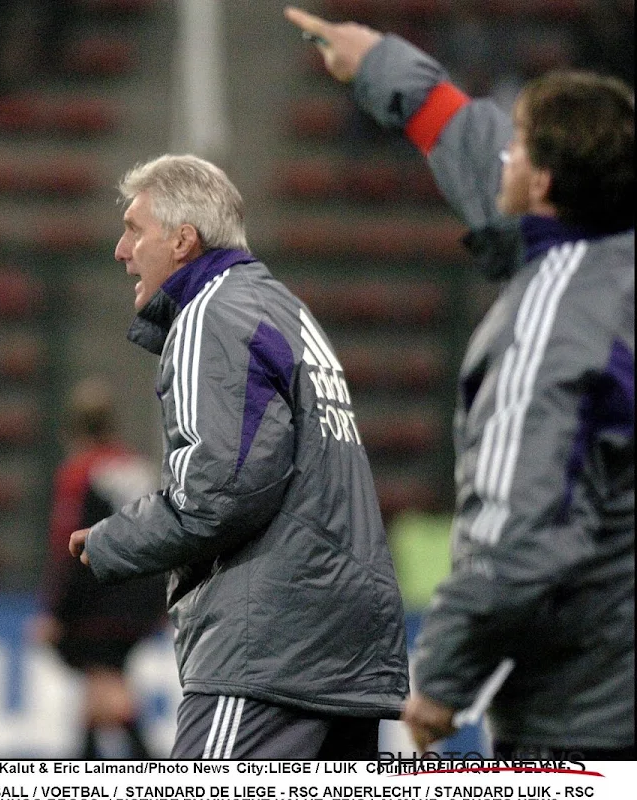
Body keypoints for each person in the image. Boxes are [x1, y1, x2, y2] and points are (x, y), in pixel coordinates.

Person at [285, 6, 634, 759]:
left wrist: (443, 675)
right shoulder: (612, 265)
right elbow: (482, 155)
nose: (501, 155)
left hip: (587, 715)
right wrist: (383, 65)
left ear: (542, 180)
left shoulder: (552, 322)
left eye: (518, 147)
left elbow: (521, 529)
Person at [69, 154, 410, 759]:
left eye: (134, 229)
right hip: (341, 644)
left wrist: (111, 542)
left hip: (271, 652)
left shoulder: (213, 315)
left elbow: (219, 494)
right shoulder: (285, 311)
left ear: (182, 240)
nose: (122, 250)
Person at [31, 377, 165, 759]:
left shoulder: (79, 472)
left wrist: (56, 611)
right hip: (145, 592)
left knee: (108, 686)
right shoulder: (136, 467)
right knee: (101, 685)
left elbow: (68, 545)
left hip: (100, 598)